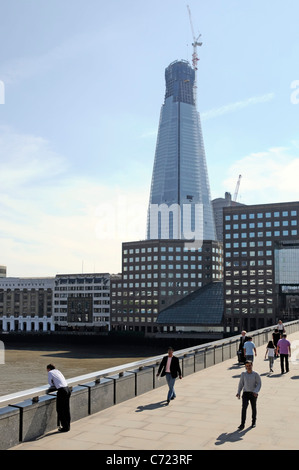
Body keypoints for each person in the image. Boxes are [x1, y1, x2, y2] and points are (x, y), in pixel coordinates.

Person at [236, 361, 261, 430]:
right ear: (245, 367)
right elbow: (241, 384)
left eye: (249, 366)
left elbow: (259, 383)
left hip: (253, 393)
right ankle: (242, 424)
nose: (248, 367)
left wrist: (256, 391)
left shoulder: (256, 374)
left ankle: (253, 422)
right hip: (246, 393)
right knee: (244, 408)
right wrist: (238, 392)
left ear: (252, 365)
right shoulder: (243, 374)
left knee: (253, 408)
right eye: (247, 366)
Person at [47, 364, 71, 432]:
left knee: (60, 409)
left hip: (62, 391)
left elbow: (50, 382)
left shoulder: (50, 372)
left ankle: (64, 427)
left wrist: (53, 385)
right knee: (66, 409)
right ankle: (68, 426)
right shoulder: (58, 371)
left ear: (48, 369)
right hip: (67, 389)